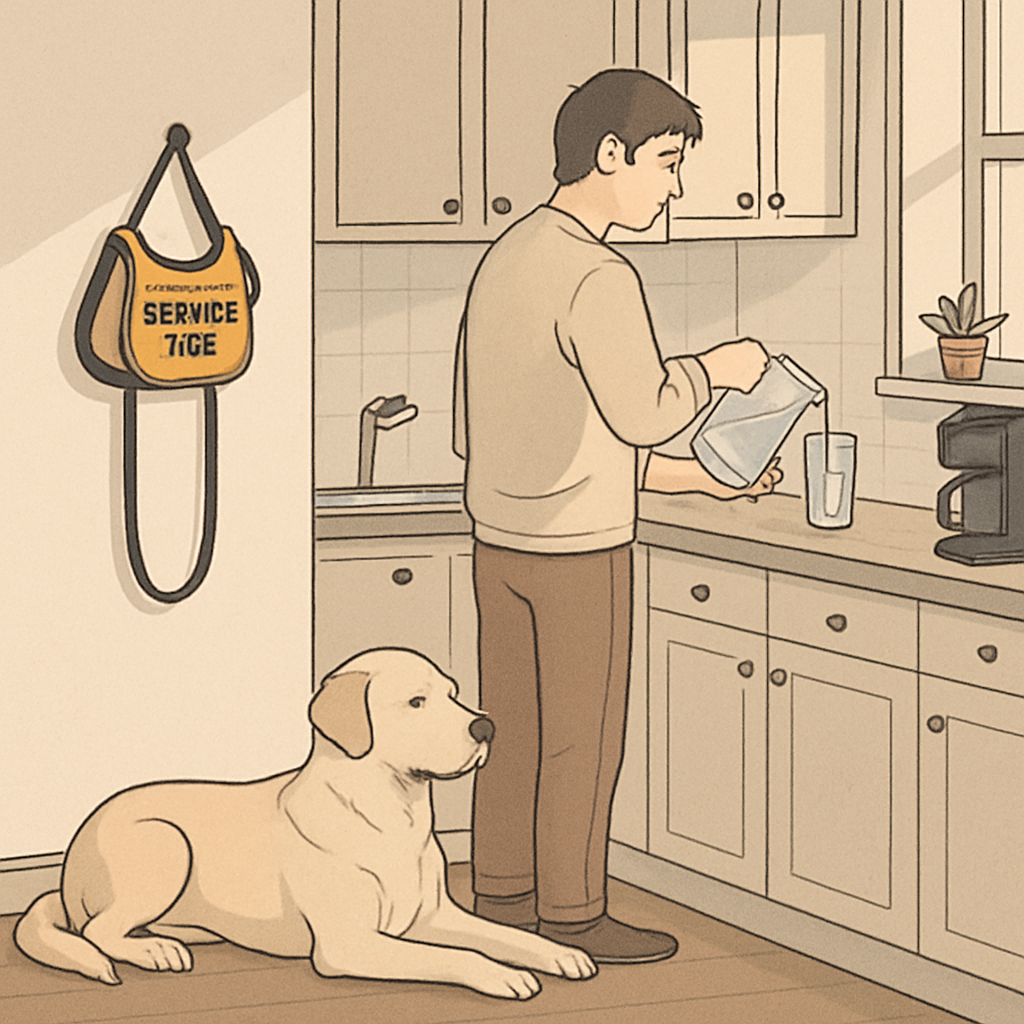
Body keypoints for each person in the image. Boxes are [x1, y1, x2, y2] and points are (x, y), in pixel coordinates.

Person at [452, 68, 779, 965]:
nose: (674, 185)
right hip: (578, 556)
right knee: (582, 741)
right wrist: (719, 367)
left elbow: (516, 430)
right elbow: (645, 411)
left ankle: (502, 896)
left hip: (500, 544)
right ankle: (573, 912)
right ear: (610, 154)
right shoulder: (599, 273)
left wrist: (697, 482)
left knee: (510, 732)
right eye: (667, 162)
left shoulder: (508, 257)